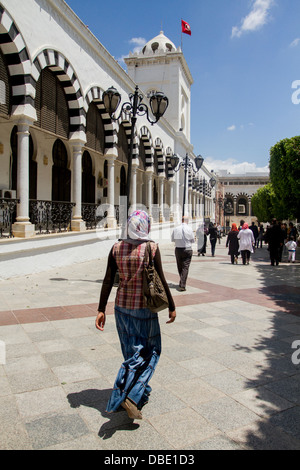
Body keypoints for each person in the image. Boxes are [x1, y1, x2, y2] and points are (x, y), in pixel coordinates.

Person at [95, 210, 176, 420]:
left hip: (121, 308)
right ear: (146, 226)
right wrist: (172, 305)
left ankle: (138, 393)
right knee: (152, 351)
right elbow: (162, 279)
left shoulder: (116, 248)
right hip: (144, 310)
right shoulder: (151, 247)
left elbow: (107, 280)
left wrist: (101, 309)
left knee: (132, 353)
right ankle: (127, 394)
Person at [171, 215, 195, 291]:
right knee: (185, 267)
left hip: (178, 249)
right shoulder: (189, 229)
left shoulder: (176, 229)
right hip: (187, 248)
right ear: (187, 221)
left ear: (182, 220)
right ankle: (182, 284)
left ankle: (182, 281)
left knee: (180, 266)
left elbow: (173, 239)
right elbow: (193, 240)